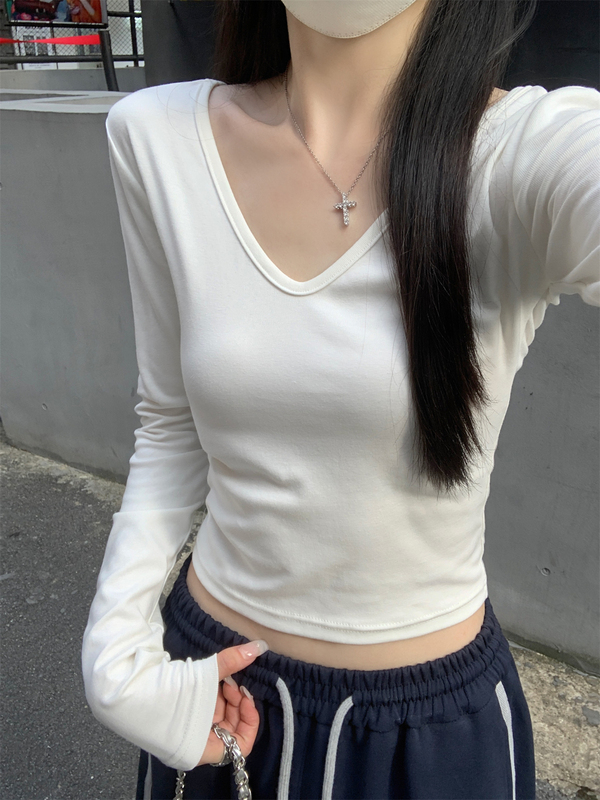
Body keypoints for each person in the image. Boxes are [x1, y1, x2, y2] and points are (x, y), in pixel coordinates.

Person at [82, 1, 600, 798]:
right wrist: (114, 652)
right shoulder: (157, 136)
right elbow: (171, 422)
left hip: (428, 743)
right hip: (215, 699)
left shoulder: (526, 151)